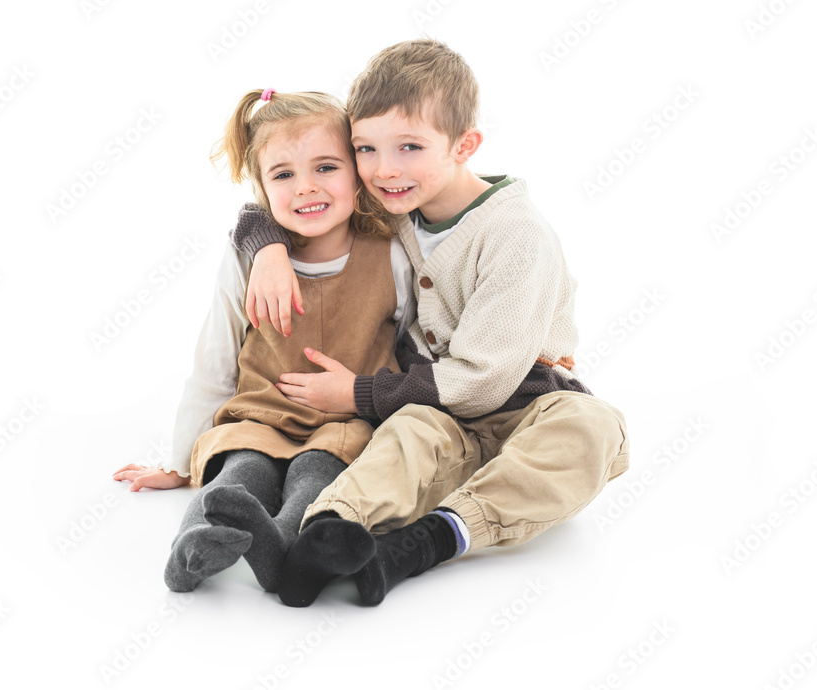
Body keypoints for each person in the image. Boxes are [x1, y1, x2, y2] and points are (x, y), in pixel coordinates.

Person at [230, 39, 631, 607]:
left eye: (410, 147)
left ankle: (430, 540)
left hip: (526, 404)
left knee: (592, 429)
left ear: (464, 145)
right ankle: (325, 534)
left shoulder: (517, 236)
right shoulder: (393, 204)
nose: (384, 169)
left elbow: (485, 382)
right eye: (365, 149)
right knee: (406, 434)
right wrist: (267, 246)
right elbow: (290, 198)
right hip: (434, 412)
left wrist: (358, 393)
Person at [112, 88, 414, 594]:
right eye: (283, 175)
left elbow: (412, 344)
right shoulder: (248, 258)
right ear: (262, 189)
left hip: (343, 424)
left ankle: (277, 547)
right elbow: (215, 358)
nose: (306, 187)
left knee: (316, 477)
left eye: (326, 167)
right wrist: (180, 462)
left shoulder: (391, 256)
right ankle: (194, 545)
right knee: (240, 473)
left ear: (357, 174)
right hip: (258, 418)